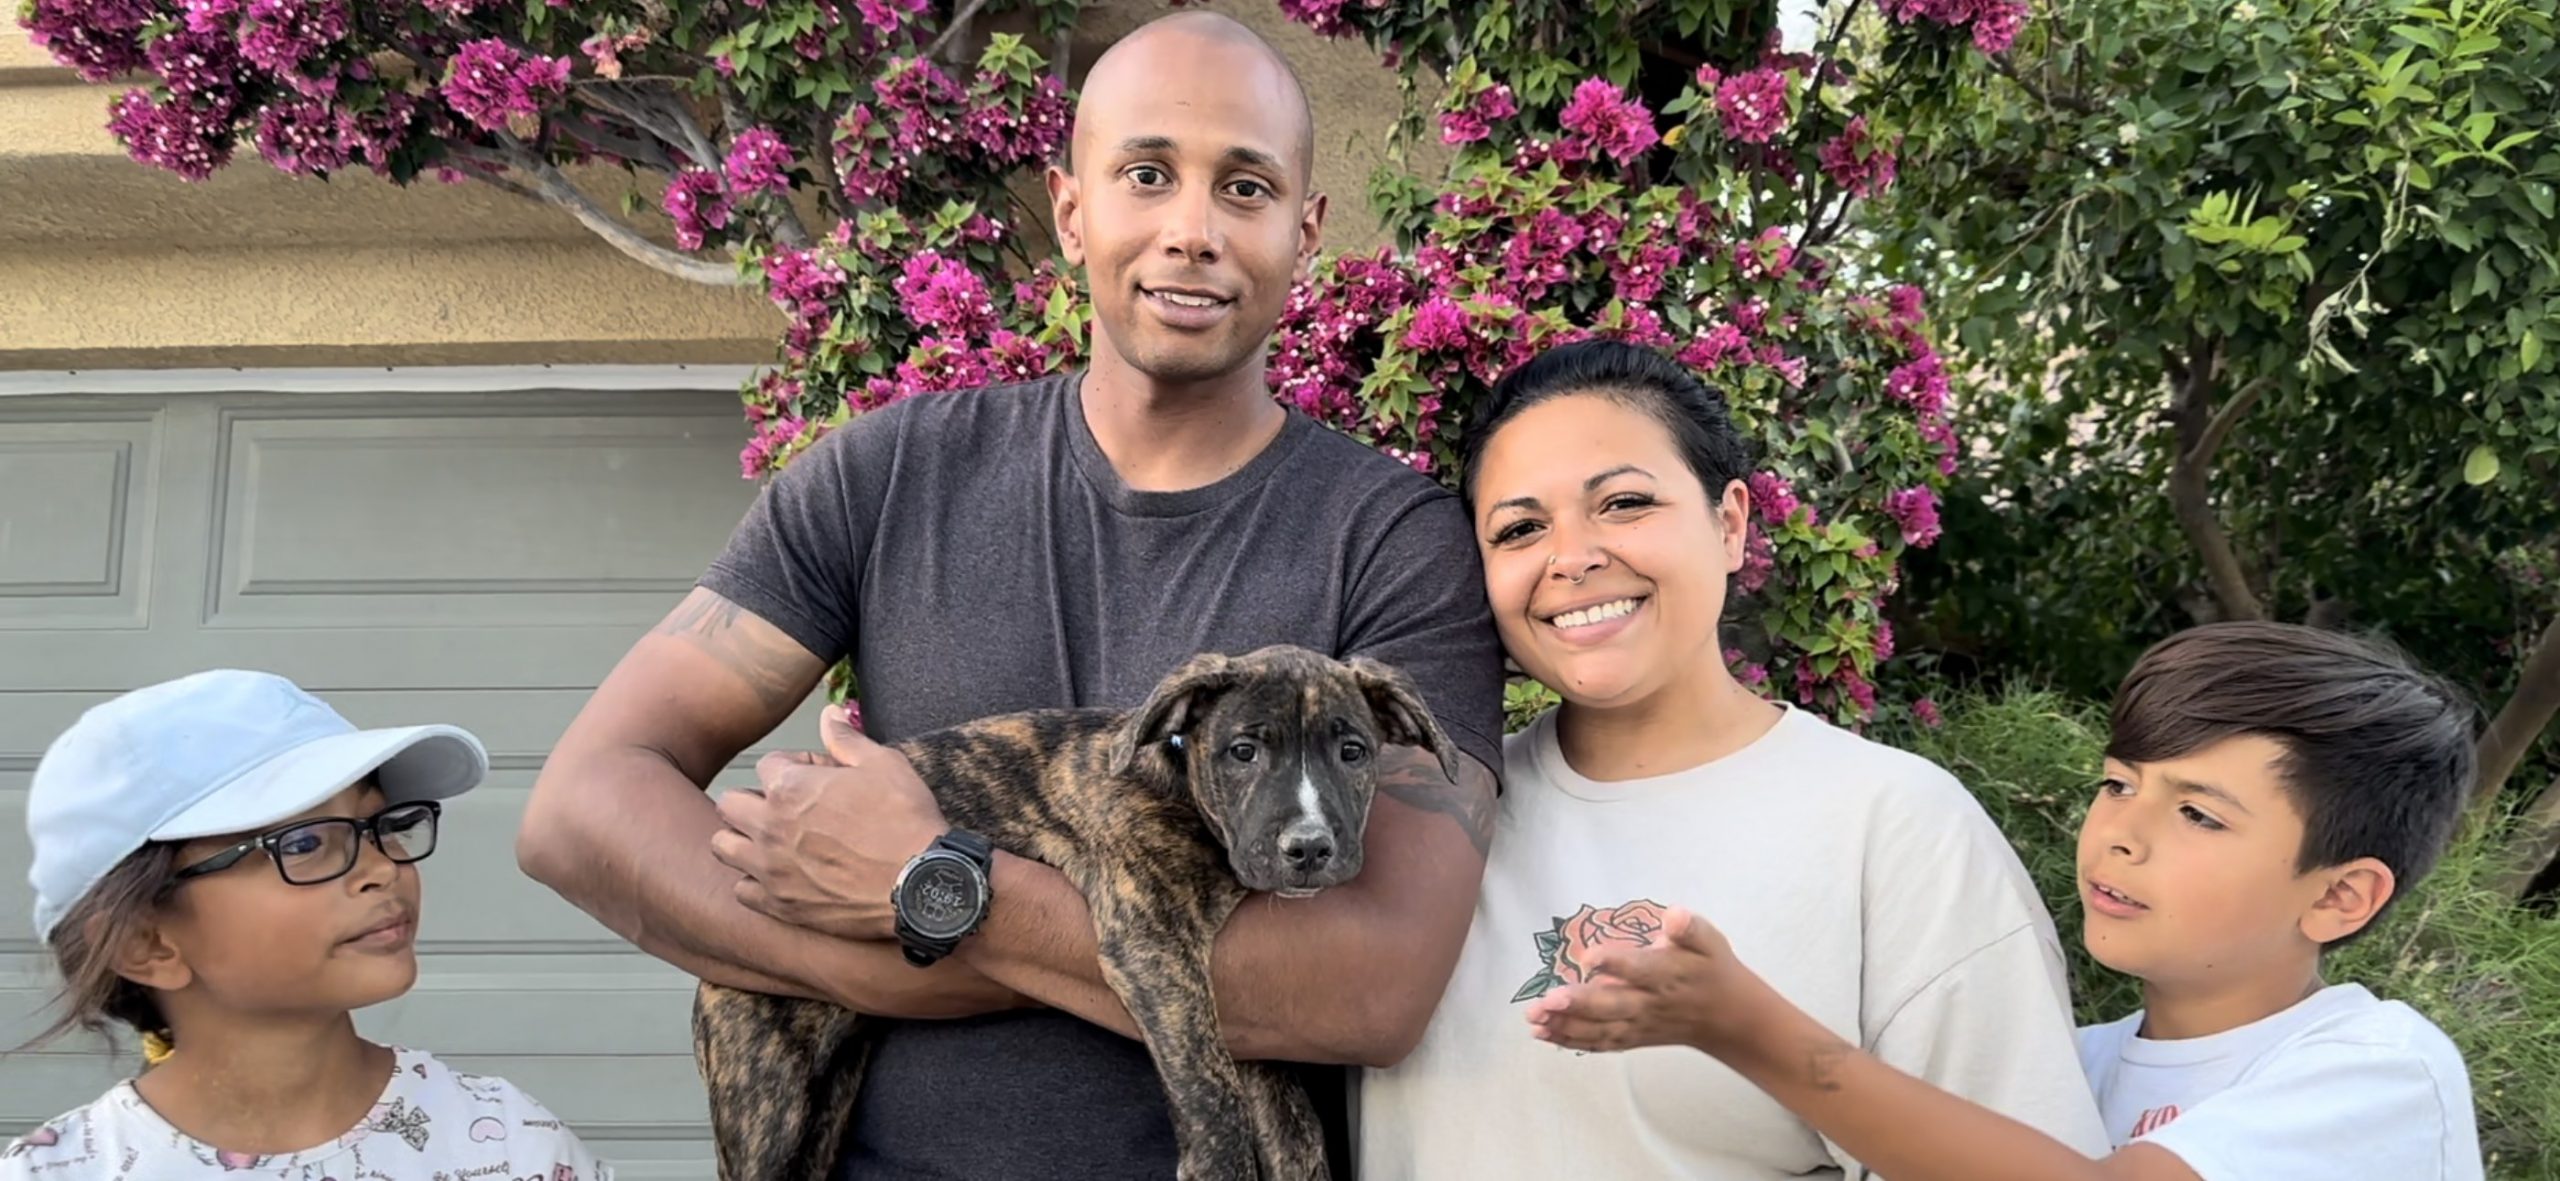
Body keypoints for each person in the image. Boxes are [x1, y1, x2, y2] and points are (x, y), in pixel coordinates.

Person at [513, 11, 1507, 1179]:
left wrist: (945, 895)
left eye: (1245, 187)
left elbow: (1372, 985)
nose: (1192, 230)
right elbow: (580, 808)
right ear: (1072, 205)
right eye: (1147, 174)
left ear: (1305, 226)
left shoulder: (1392, 538)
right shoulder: (888, 473)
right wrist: (885, 957)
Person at [1357, 338, 2112, 1178]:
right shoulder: (1424, 820)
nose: (1571, 556)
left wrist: (1761, 1037)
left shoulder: (1893, 827)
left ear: (1730, 523)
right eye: (1521, 528)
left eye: (1625, 502)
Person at [1525, 620, 2485, 1181]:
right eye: (2118, 783)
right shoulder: (2071, 1064)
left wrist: (1750, 1029)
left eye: (2197, 813)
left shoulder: (2379, 1070)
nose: (2121, 831)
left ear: (2343, 895)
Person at [3, 669, 612, 1179]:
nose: (380, 866)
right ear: (146, 942)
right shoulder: (62, 1169)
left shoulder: (507, 1144)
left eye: (384, 823)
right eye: (302, 843)